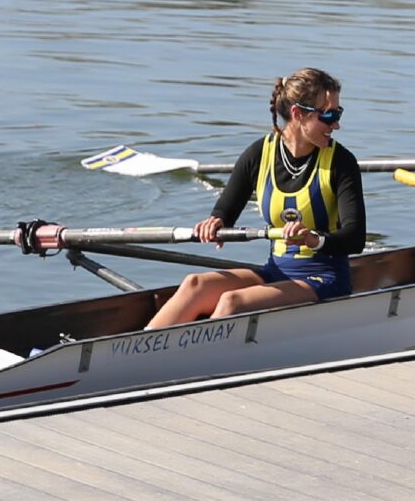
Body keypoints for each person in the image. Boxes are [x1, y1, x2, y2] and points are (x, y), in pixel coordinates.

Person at [145, 68, 365, 328]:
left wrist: (312, 239)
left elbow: (355, 238)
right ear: (297, 114)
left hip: (324, 278)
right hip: (276, 271)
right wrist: (215, 221)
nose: (336, 124)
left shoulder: (341, 162)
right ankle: (135, 355)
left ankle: (183, 361)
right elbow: (225, 210)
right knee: (195, 284)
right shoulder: (260, 153)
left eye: (338, 114)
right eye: (328, 115)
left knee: (233, 302)